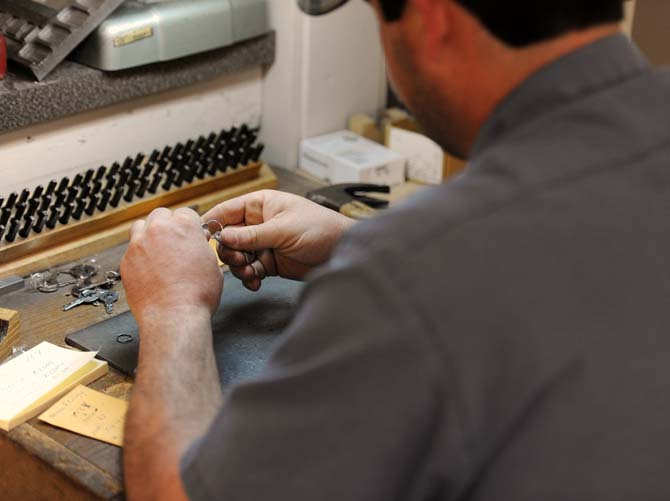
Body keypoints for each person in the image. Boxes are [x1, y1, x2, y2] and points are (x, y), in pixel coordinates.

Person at [120, 0, 670, 499]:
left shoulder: (409, 272)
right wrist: (356, 244)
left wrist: (174, 307)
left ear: (431, 20)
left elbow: (177, 493)